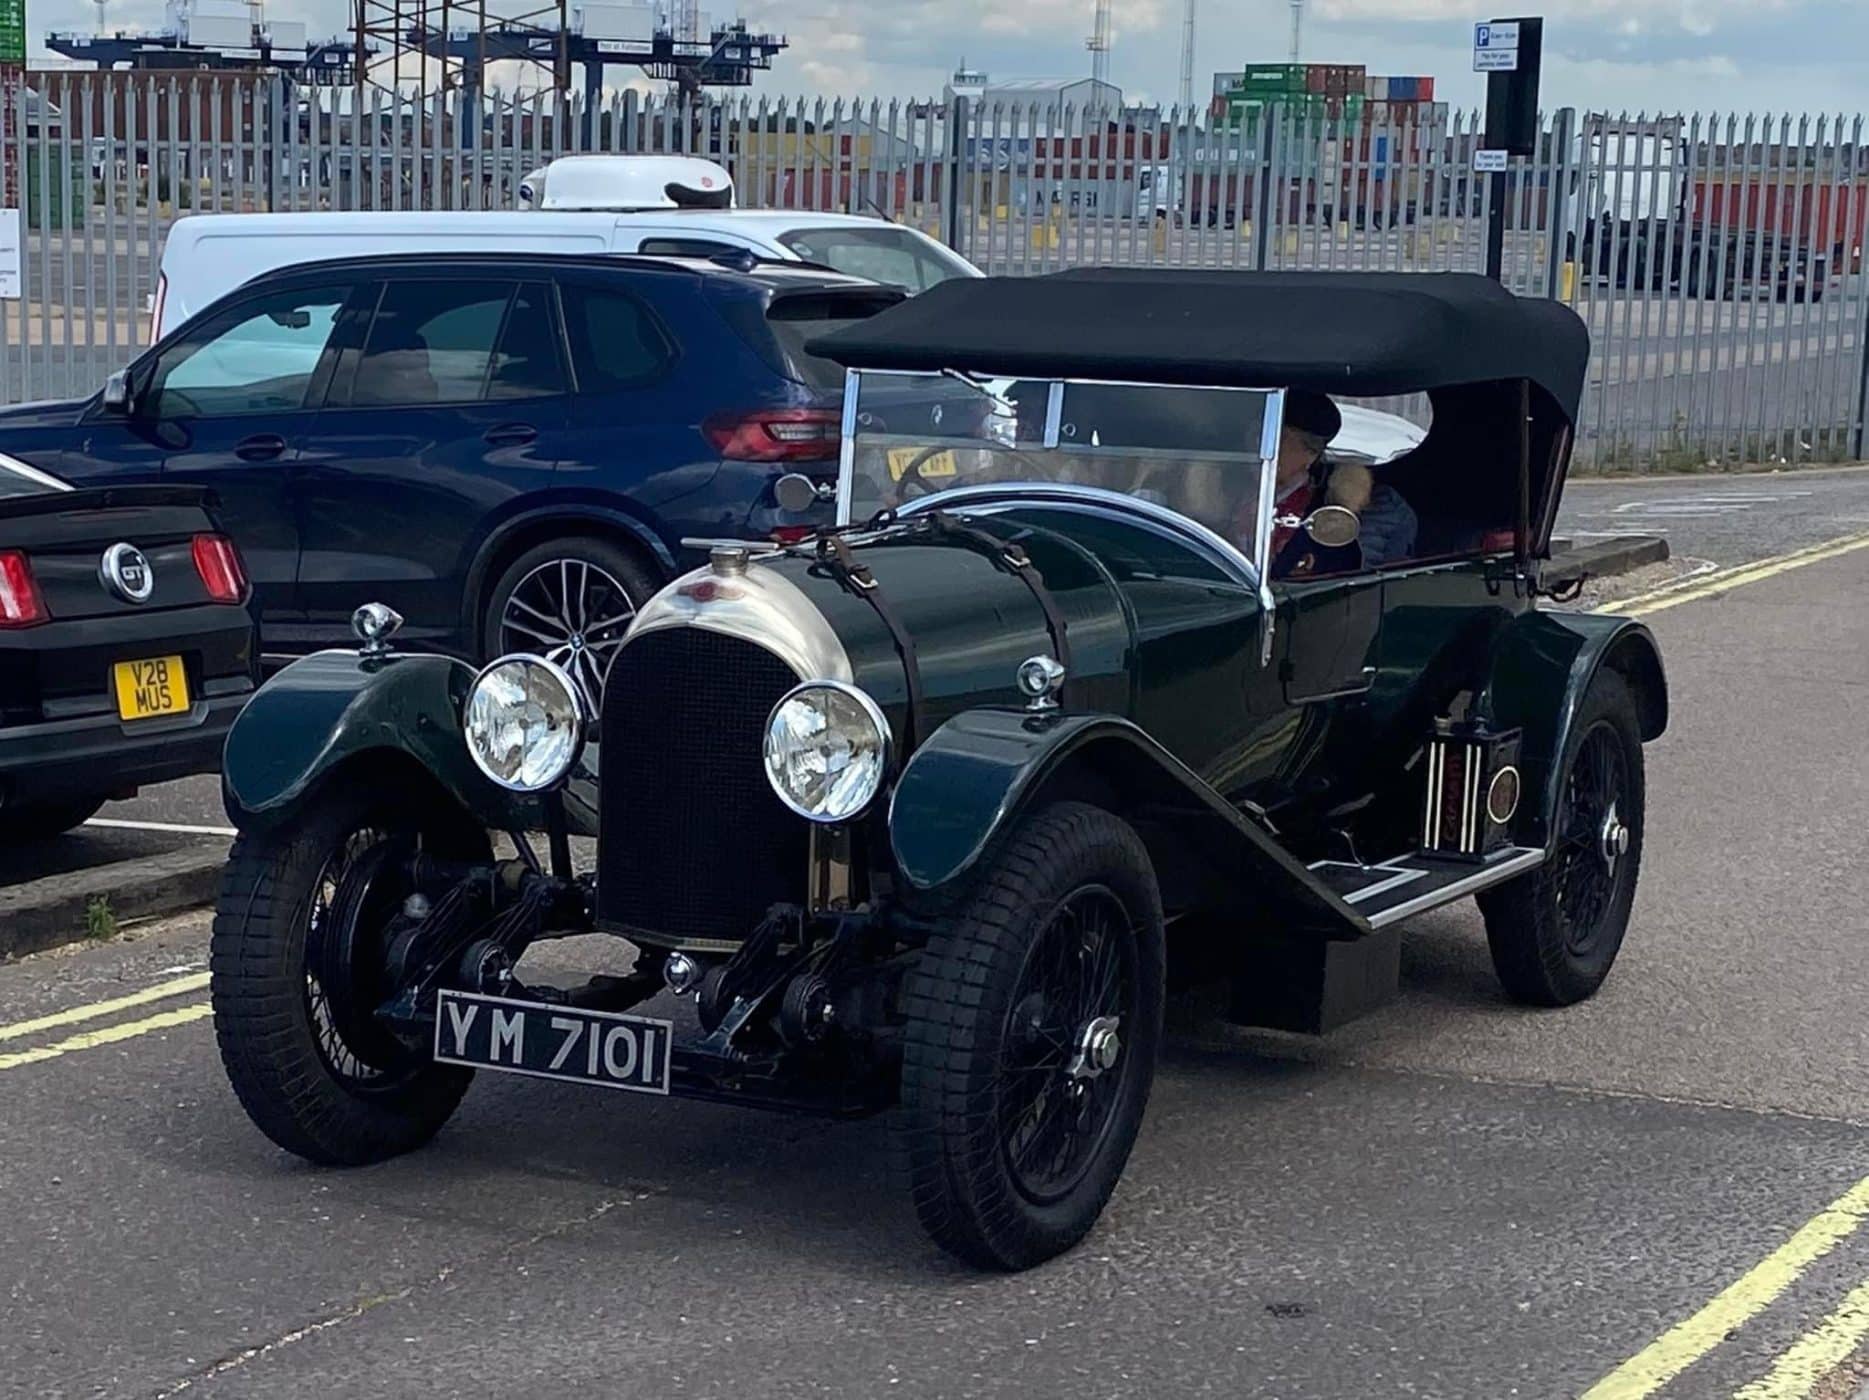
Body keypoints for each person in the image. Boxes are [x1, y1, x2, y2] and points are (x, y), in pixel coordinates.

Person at [1252, 390, 1418, 578]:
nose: (1256, 442)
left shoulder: (1339, 519)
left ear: (1311, 454)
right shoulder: (1232, 488)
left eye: (1275, 437)